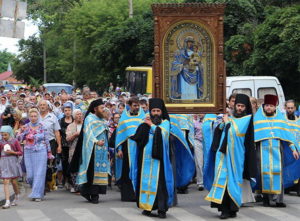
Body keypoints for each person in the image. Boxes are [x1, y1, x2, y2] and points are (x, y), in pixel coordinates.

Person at [205, 94, 257, 219]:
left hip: (236, 157)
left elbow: (235, 133)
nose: (239, 108)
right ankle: (224, 210)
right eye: (238, 105)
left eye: (242, 106)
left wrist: (227, 124)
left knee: (233, 182)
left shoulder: (247, 119)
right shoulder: (230, 118)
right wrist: (222, 126)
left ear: (246, 107)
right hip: (223, 156)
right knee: (223, 180)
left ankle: (232, 209)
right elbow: (220, 133)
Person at [254, 94, 299, 207]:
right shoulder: (258, 118)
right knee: (263, 174)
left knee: (278, 173)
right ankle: (266, 198)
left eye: (271, 106)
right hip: (261, 150)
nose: (268, 107)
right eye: (267, 105)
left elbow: (287, 136)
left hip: (278, 150)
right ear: (264, 106)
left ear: (275, 107)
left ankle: (279, 200)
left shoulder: (280, 119)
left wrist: (293, 149)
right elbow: (253, 137)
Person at [131, 98, 173, 218]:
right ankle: (147, 207)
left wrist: (151, 126)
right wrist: (144, 126)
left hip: (159, 160)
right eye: (153, 110)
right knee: (145, 183)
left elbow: (163, 136)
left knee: (159, 185)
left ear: (161, 112)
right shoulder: (145, 121)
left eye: (158, 111)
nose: (155, 113)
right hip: (145, 159)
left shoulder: (165, 122)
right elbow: (138, 137)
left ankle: (161, 209)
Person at [70, 99, 110, 204]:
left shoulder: (103, 119)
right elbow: (88, 134)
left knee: (100, 171)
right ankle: (91, 193)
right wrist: (96, 141)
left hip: (102, 150)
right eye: (101, 108)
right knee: (92, 171)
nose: (103, 110)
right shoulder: (89, 118)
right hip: (92, 150)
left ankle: (97, 193)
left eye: (104, 108)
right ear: (95, 109)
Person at [17, 108, 53, 201]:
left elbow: (47, 140)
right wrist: (20, 132)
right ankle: (38, 191)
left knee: (39, 174)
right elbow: (18, 139)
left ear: (38, 116)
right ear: (29, 117)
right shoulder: (26, 126)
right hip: (28, 151)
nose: (33, 118)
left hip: (41, 151)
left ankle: (37, 194)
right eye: (31, 116)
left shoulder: (42, 126)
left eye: (35, 116)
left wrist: (49, 153)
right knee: (30, 176)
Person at [115, 97, 145, 201]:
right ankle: (128, 195)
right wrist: (118, 149)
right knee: (127, 170)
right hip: (127, 147)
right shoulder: (124, 118)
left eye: (138, 105)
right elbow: (119, 134)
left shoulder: (143, 117)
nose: (137, 107)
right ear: (130, 106)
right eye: (134, 105)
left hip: (140, 147)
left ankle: (139, 194)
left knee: (140, 169)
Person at [0, 126, 23, 209]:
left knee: (13, 182)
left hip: (12, 162)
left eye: (5, 135)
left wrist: (13, 152)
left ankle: (17, 195)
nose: (3, 137)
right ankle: (7, 201)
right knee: (6, 181)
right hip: (3, 162)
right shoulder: (1, 142)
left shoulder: (14, 141)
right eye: (2, 135)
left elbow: (20, 152)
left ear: (9, 134)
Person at [284, 100, 300, 195]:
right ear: (285, 108)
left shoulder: (298, 120)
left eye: (291, 108)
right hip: (287, 148)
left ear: (294, 108)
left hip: (297, 148)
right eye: (288, 108)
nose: (290, 110)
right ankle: (287, 187)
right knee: (287, 168)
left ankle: (298, 188)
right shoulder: (283, 119)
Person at [66, 109, 83, 193]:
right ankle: (76, 186)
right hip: (74, 150)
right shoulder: (70, 126)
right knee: (74, 168)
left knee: (83, 168)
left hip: (84, 150)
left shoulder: (86, 125)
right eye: (77, 114)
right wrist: (75, 134)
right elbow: (68, 139)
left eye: (80, 114)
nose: (79, 116)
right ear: (74, 116)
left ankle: (83, 187)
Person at [59, 103, 74, 188]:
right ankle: (66, 179)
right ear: (63, 111)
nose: (67, 112)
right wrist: (59, 145)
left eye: (69, 110)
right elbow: (59, 134)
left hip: (73, 145)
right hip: (64, 145)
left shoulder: (74, 119)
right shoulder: (61, 121)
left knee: (72, 162)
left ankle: (72, 180)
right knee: (65, 163)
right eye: (66, 110)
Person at [193, 114, 204, 191]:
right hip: (198, 142)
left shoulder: (211, 121)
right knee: (199, 163)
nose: (201, 113)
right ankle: (200, 182)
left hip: (208, 142)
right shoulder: (194, 122)